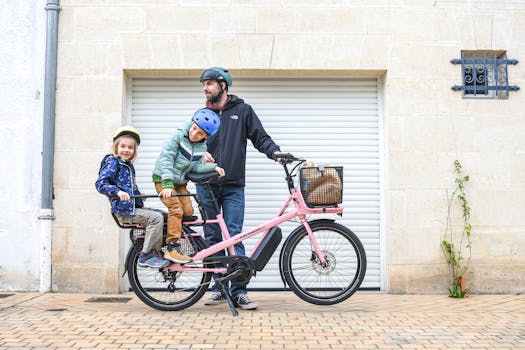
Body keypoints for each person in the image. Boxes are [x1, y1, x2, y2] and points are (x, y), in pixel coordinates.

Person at [197, 67, 282, 310]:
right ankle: (218, 287)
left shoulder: (242, 111)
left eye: (210, 83)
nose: (205, 88)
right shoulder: (202, 113)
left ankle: (239, 290)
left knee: (235, 236)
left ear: (223, 86)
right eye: (204, 84)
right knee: (212, 238)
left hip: (233, 185)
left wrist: (274, 152)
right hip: (206, 185)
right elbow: (190, 142)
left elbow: (260, 137)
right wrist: (199, 156)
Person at [153, 108, 225, 264]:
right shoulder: (177, 137)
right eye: (194, 128)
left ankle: (171, 230)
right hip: (163, 180)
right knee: (176, 209)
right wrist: (166, 184)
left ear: (206, 136)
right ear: (191, 123)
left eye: (200, 134)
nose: (194, 134)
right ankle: (172, 246)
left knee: (188, 211)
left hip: (180, 183)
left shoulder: (201, 147)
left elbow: (196, 167)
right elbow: (166, 159)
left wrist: (213, 167)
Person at [96, 126, 169, 269]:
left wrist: (139, 196)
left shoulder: (128, 166)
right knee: (156, 218)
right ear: (116, 147)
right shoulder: (113, 163)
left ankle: (158, 249)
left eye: (130, 147)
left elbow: (130, 188)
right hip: (123, 211)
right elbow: (100, 184)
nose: (126, 150)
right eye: (123, 146)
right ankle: (146, 255)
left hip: (132, 208)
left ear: (134, 151)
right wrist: (117, 192)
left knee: (165, 216)